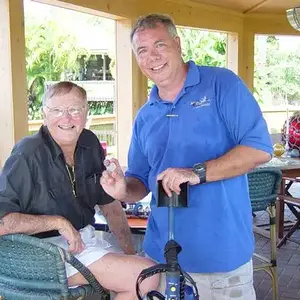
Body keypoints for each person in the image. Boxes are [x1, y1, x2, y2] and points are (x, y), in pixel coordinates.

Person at [100, 14, 273, 299]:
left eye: (159, 45)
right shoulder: (146, 115)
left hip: (220, 259)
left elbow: (259, 149)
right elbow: (140, 180)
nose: (152, 57)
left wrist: (196, 172)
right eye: (142, 51)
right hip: (161, 258)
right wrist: (123, 190)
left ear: (178, 44)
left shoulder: (221, 85)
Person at [0, 81, 159, 299]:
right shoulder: (27, 153)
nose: (66, 118)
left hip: (83, 243)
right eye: (56, 110)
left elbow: (109, 204)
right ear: (44, 114)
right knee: (146, 276)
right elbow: (2, 222)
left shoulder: (89, 142)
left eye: (74, 109)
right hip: (40, 254)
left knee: (147, 270)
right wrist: (57, 222)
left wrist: (128, 250)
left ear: (86, 113)